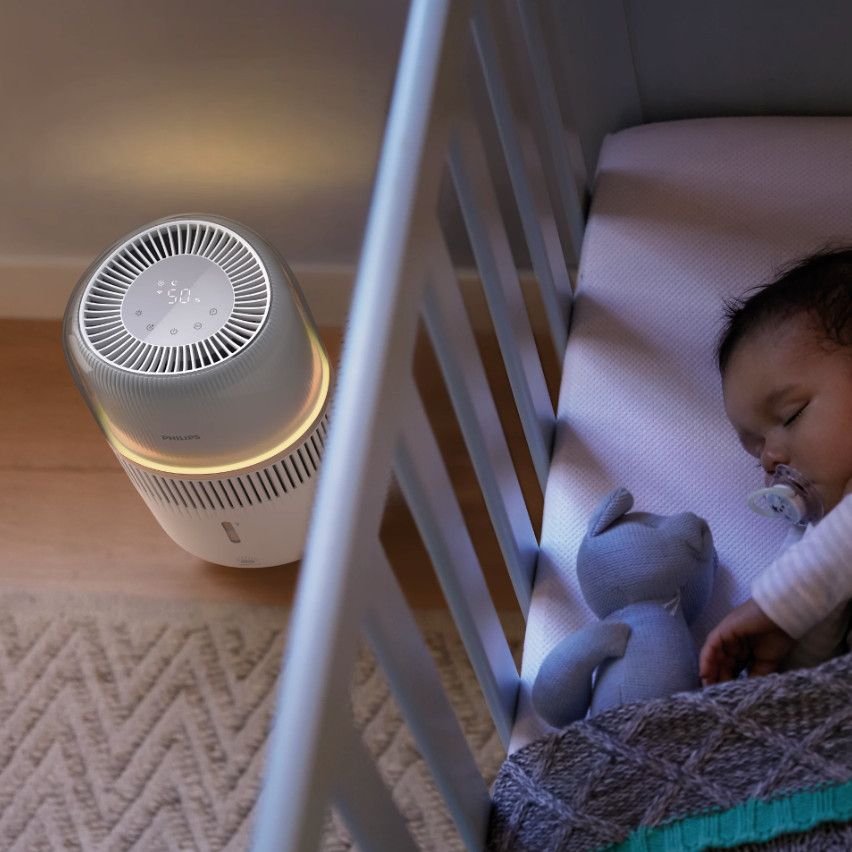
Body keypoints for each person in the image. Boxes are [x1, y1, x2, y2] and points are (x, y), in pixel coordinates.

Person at [699, 246, 852, 685]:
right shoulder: (816, 544)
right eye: (756, 452)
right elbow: (815, 652)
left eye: (790, 415)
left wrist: (774, 607)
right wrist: (783, 642)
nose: (769, 458)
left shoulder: (816, 562)